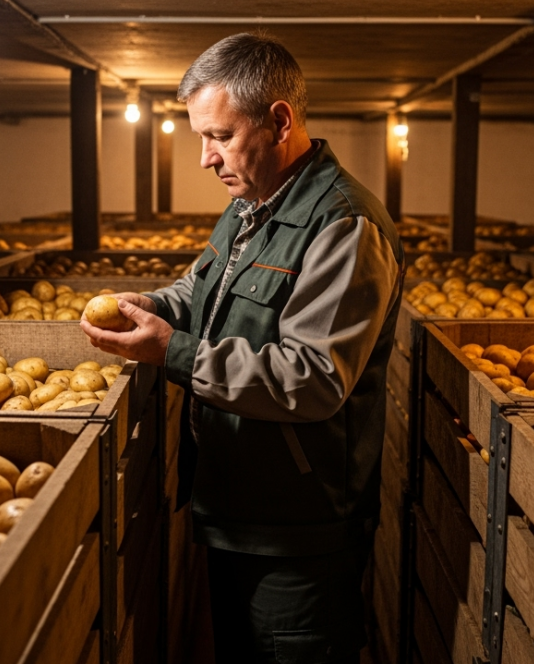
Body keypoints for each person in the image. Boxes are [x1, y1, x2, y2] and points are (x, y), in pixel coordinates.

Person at [81, 32, 403, 664]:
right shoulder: (250, 204)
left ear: (279, 120)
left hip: (299, 531)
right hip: (238, 506)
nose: (205, 157)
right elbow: (203, 287)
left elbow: (312, 379)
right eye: (201, 136)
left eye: (219, 136)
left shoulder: (343, 224)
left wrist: (173, 351)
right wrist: (157, 307)